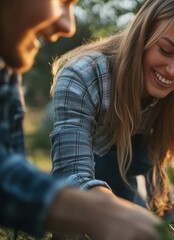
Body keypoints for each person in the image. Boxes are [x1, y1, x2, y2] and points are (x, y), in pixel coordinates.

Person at [50, 0, 174, 216]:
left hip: (136, 167)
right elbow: (73, 175)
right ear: (142, 35)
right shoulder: (82, 77)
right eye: (166, 50)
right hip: (95, 177)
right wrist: (132, 219)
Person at [0, 0, 160, 239]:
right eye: (61, 2)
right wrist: (101, 213)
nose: (68, 26)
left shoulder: (7, 66)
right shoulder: (84, 74)